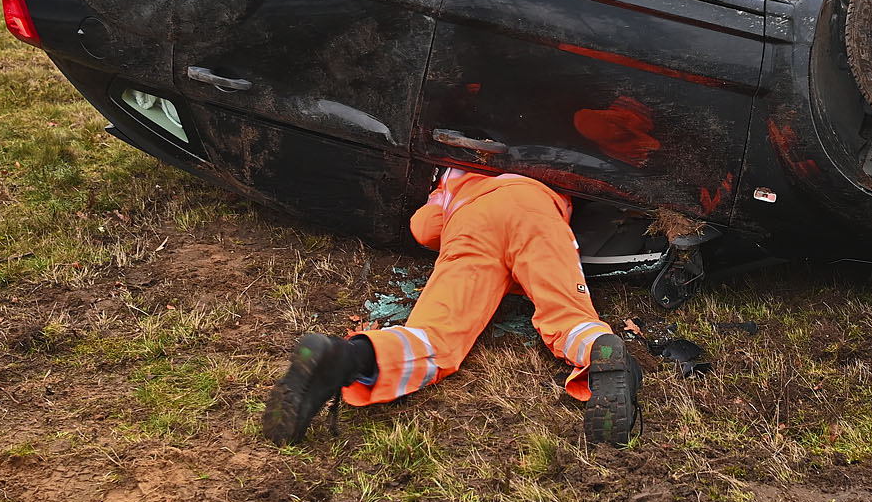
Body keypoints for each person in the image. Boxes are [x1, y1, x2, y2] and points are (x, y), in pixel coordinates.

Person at [262, 169, 641, 446]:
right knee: (568, 316)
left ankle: (346, 357)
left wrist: (441, 196)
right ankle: (597, 351)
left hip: (472, 224)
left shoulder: (453, 169)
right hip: (536, 211)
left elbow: (424, 229)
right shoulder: (546, 150)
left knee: (435, 337)